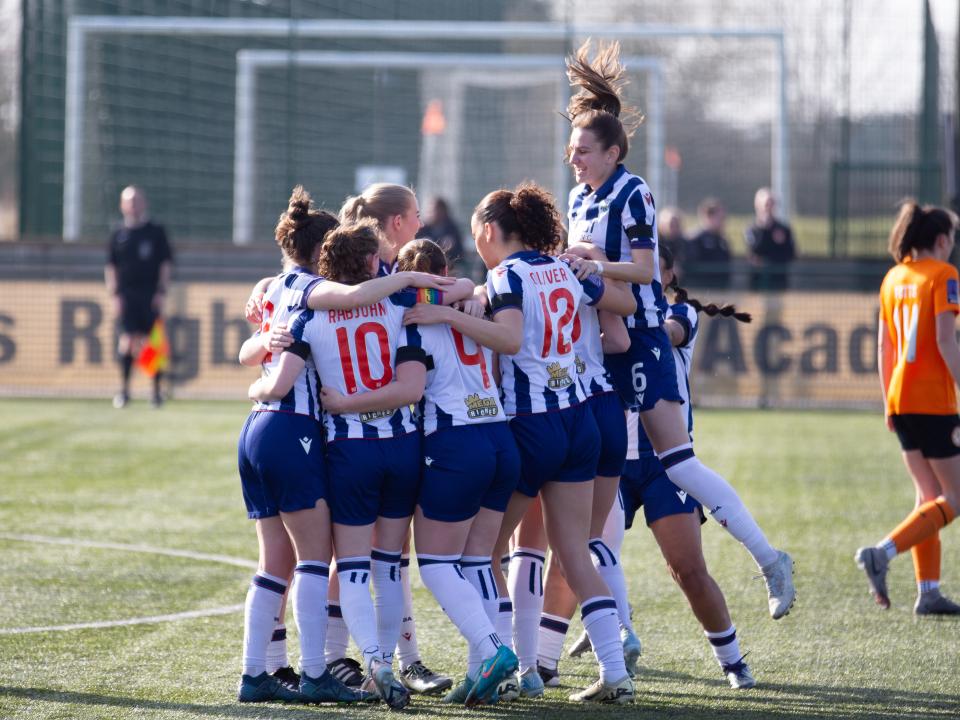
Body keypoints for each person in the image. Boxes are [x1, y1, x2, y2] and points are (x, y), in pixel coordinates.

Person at [561, 39, 795, 620]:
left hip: (637, 339)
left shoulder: (632, 192)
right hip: (599, 344)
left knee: (678, 463)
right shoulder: (576, 196)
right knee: (599, 486)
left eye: (584, 151)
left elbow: (642, 270)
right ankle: (610, 632)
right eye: (570, 150)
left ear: (613, 152)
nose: (575, 159)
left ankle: (770, 558)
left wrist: (593, 263)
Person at [407, 181, 639, 704]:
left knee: (484, 552)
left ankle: (514, 670)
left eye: (476, 235)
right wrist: (594, 270)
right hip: (579, 419)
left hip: (532, 423)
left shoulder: (507, 274)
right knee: (574, 550)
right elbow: (622, 304)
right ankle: (615, 673)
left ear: (490, 231)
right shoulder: (561, 267)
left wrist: (445, 313)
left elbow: (510, 339)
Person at [538, 245, 758, 691]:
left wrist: (621, 300)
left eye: (653, 271)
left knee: (688, 570)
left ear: (669, 274)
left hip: (663, 466)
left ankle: (733, 662)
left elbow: (668, 332)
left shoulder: (680, 314)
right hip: (613, 460)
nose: (643, 279)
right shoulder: (610, 313)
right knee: (571, 555)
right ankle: (548, 660)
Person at [322, 238, 521, 706]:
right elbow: (470, 291)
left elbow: (409, 385)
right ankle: (482, 676)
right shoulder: (471, 306)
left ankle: (494, 652)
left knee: (434, 565)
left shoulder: (408, 315)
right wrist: (466, 294)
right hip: (499, 440)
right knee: (477, 562)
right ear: (444, 273)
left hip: (457, 444)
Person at [249, 220, 435, 710]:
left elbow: (272, 362)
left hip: (349, 451)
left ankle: (371, 661)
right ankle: (387, 667)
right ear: (373, 263)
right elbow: (455, 298)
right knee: (390, 567)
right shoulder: (399, 304)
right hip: (402, 444)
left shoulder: (311, 317)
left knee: (348, 565)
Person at [233, 188, 370, 705]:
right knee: (316, 558)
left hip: (256, 431)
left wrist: (259, 365)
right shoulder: (312, 291)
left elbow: (251, 349)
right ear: (322, 249)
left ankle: (256, 674)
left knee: (276, 561)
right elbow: (351, 301)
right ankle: (315, 673)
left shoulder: (273, 289)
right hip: (293, 428)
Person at [855, 201, 960, 615]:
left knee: (928, 496)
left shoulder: (893, 277)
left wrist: (888, 402)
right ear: (940, 240)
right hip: (933, 399)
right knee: (955, 496)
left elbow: (884, 346)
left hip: (900, 397)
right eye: (952, 240)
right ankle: (881, 553)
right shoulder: (944, 275)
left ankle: (928, 590)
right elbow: (945, 340)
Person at [105, 186, 173, 408]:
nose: (133, 205)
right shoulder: (117, 234)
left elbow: (165, 264)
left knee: (152, 343)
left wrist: (161, 291)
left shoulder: (155, 231)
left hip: (150, 294)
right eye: (129, 201)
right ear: (122, 205)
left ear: (144, 203)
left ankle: (155, 393)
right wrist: (115, 294)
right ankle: (124, 391)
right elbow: (111, 267)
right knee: (127, 341)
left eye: (137, 200)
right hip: (127, 296)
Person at [745, 187, 795, 291]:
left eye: (772, 204)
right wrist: (765, 228)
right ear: (758, 206)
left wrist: (781, 243)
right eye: (766, 204)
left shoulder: (783, 229)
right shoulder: (751, 229)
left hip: (778, 281)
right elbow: (754, 252)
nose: (769, 208)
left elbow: (791, 253)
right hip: (758, 281)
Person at [686, 197, 732, 288]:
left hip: (721, 290)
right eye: (721, 218)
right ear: (708, 216)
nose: (723, 222)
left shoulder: (723, 241)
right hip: (700, 291)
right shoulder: (694, 239)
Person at [420, 197, 466, 273]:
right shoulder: (422, 229)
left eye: (434, 210)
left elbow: (460, 252)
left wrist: (448, 248)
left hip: (448, 268)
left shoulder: (452, 229)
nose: (431, 213)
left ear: (443, 211)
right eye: (429, 210)